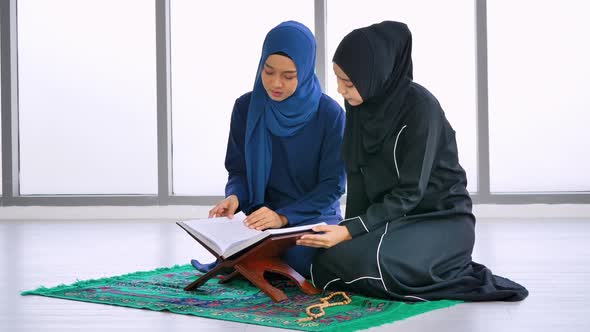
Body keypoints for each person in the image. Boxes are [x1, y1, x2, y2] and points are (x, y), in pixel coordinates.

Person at [297, 21, 528, 301]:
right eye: (337, 78)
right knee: (322, 260)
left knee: (372, 264)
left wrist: (351, 232)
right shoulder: (360, 104)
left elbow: (410, 193)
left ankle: (437, 262)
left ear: (376, 74)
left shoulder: (421, 109)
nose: (340, 90)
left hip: (440, 219)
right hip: (391, 222)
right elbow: (356, 177)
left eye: (348, 82)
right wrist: (347, 231)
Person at [193, 21, 346, 277]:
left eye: (288, 76)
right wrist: (235, 197)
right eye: (268, 71)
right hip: (260, 219)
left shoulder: (330, 115)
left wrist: (283, 217)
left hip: (312, 216)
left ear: (306, 71)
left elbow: (332, 186)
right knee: (241, 249)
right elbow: (239, 171)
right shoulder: (246, 108)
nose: (276, 83)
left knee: (302, 256)